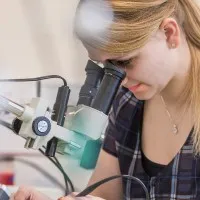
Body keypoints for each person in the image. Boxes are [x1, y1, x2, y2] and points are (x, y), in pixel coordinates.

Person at [11, 0, 200, 199]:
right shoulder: (128, 102)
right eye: (106, 68)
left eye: (124, 62)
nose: (120, 80)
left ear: (169, 33)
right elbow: (105, 194)